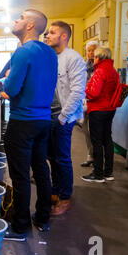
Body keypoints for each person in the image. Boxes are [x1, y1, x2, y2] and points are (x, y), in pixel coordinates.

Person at [1, 9, 58, 241]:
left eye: (21, 17)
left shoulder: (23, 52)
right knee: (42, 169)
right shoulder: (50, 53)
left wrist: (5, 81)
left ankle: (20, 226)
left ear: (30, 26)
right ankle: (43, 219)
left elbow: (11, 89)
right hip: (44, 120)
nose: (16, 20)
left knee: (21, 175)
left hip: (22, 121)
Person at [46, 21, 87, 216]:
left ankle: (65, 197)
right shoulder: (51, 57)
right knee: (52, 157)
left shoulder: (73, 58)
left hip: (64, 116)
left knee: (62, 158)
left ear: (64, 36)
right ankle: (55, 190)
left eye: (52, 33)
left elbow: (78, 91)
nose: (48, 35)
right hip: (49, 114)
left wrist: (63, 117)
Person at [82, 47, 119, 183]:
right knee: (107, 140)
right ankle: (108, 172)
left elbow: (94, 93)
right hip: (110, 109)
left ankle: (97, 174)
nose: (93, 58)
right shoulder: (113, 71)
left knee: (96, 141)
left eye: (95, 56)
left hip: (98, 110)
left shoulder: (100, 71)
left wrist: (85, 90)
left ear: (99, 57)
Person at [81, 41, 99, 168]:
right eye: (89, 50)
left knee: (95, 130)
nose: (91, 53)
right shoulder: (84, 66)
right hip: (84, 101)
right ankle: (90, 153)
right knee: (84, 127)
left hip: (96, 103)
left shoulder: (100, 67)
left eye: (93, 50)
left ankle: (94, 156)